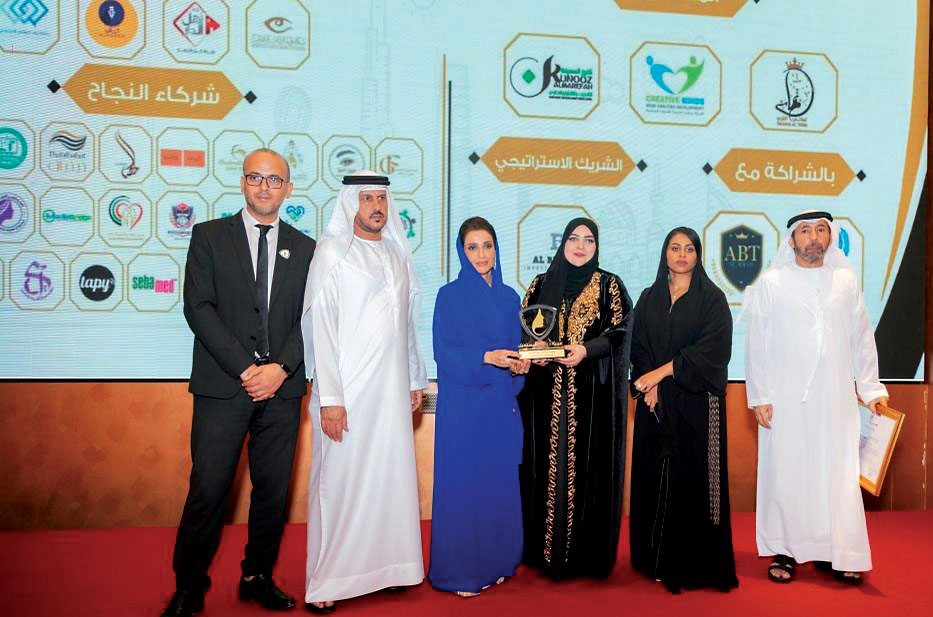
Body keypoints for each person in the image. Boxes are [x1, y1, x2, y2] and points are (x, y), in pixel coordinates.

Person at [162, 149, 316, 617]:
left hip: (283, 390)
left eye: (275, 179)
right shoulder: (209, 236)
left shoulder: (308, 249)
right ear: (243, 182)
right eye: (256, 177)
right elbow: (198, 308)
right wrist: (248, 370)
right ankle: (189, 587)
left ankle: (257, 577)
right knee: (208, 490)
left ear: (288, 189)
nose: (265, 186)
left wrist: (281, 368)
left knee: (272, 493)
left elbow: (313, 318)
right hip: (224, 387)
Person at [301, 171, 428, 613]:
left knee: (389, 480)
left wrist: (414, 378)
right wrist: (331, 399)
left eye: (381, 198)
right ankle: (329, 579)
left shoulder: (396, 253)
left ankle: (389, 569)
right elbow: (321, 328)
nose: (376, 206)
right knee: (341, 482)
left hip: (390, 394)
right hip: (348, 394)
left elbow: (405, 324)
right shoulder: (332, 252)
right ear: (351, 202)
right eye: (367, 198)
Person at [744, 210, 889, 585]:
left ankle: (835, 552)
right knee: (788, 471)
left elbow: (862, 340)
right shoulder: (772, 283)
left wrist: (872, 390)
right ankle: (785, 550)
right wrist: (760, 395)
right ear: (792, 240)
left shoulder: (845, 281)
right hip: (785, 399)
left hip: (835, 400)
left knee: (835, 473)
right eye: (805, 231)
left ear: (830, 237)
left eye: (821, 230)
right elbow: (757, 343)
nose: (813, 237)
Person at [518, 217, 632, 580]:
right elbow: (525, 331)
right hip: (544, 399)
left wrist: (587, 349)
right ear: (563, 243)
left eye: (588, 240)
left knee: (589, 470)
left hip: (591, 399)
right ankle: (543, 552)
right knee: (543, 470)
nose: (580, 246)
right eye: (573, 238)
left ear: (596, 247)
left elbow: (622, 332)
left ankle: (585, 556)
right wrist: (535, 351)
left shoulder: (609, 286)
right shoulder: (540, 285)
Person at [629, 227, 738, 593]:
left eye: (689, 249)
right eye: (675, 248)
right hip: (656, 403)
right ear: (665, 253)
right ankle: (654, 558)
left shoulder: (712, 299)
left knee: (692, 481)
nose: (681, 255)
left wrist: (659, 374)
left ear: (697, 255)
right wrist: (651, 383)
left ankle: (694, 564)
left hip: (697, 404)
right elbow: (638, 344)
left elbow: (712, 350)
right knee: (657, 478)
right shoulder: (649, 296)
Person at [428, 217, 529, 597]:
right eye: (472, 247)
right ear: (461, 251)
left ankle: (498, 562)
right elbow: (444, 352)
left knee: (498, 484)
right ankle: (462, 573)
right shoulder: (448, 296)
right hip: (465, 408)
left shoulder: (510, 297)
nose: (481, 254)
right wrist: (486, 357)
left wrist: (520, 365)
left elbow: (516, 350)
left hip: (500, 404)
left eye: (487, 246)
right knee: (465, 487)